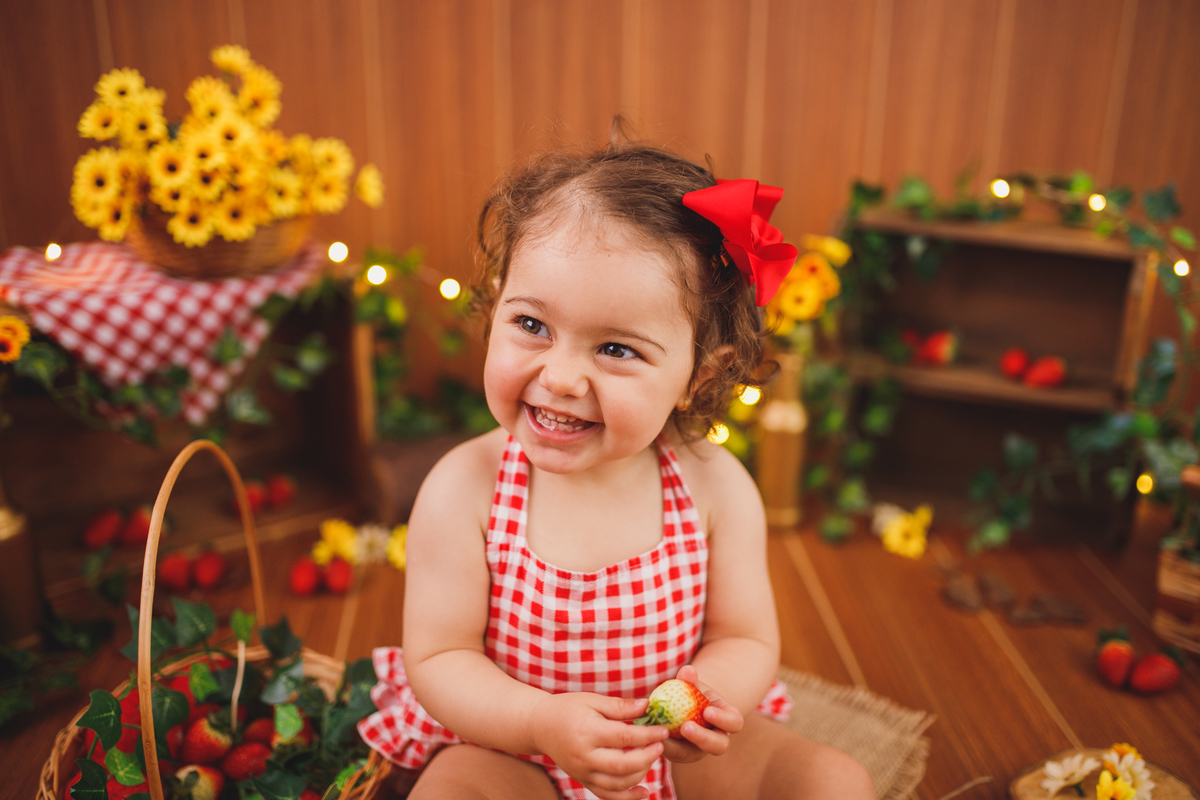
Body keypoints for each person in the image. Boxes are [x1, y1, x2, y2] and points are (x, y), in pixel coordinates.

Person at [359, 135, 874, 800]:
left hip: (668, 750)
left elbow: (742, 637)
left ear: (698, 375)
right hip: (514, 748)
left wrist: (701, 699)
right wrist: (540, 721)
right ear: (496, 307)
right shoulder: (467, 487)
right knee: (453, 792)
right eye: (533, 325)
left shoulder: (714, 487)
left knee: (835, 782)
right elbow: (440, 659)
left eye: (614, 348)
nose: (563, 376)